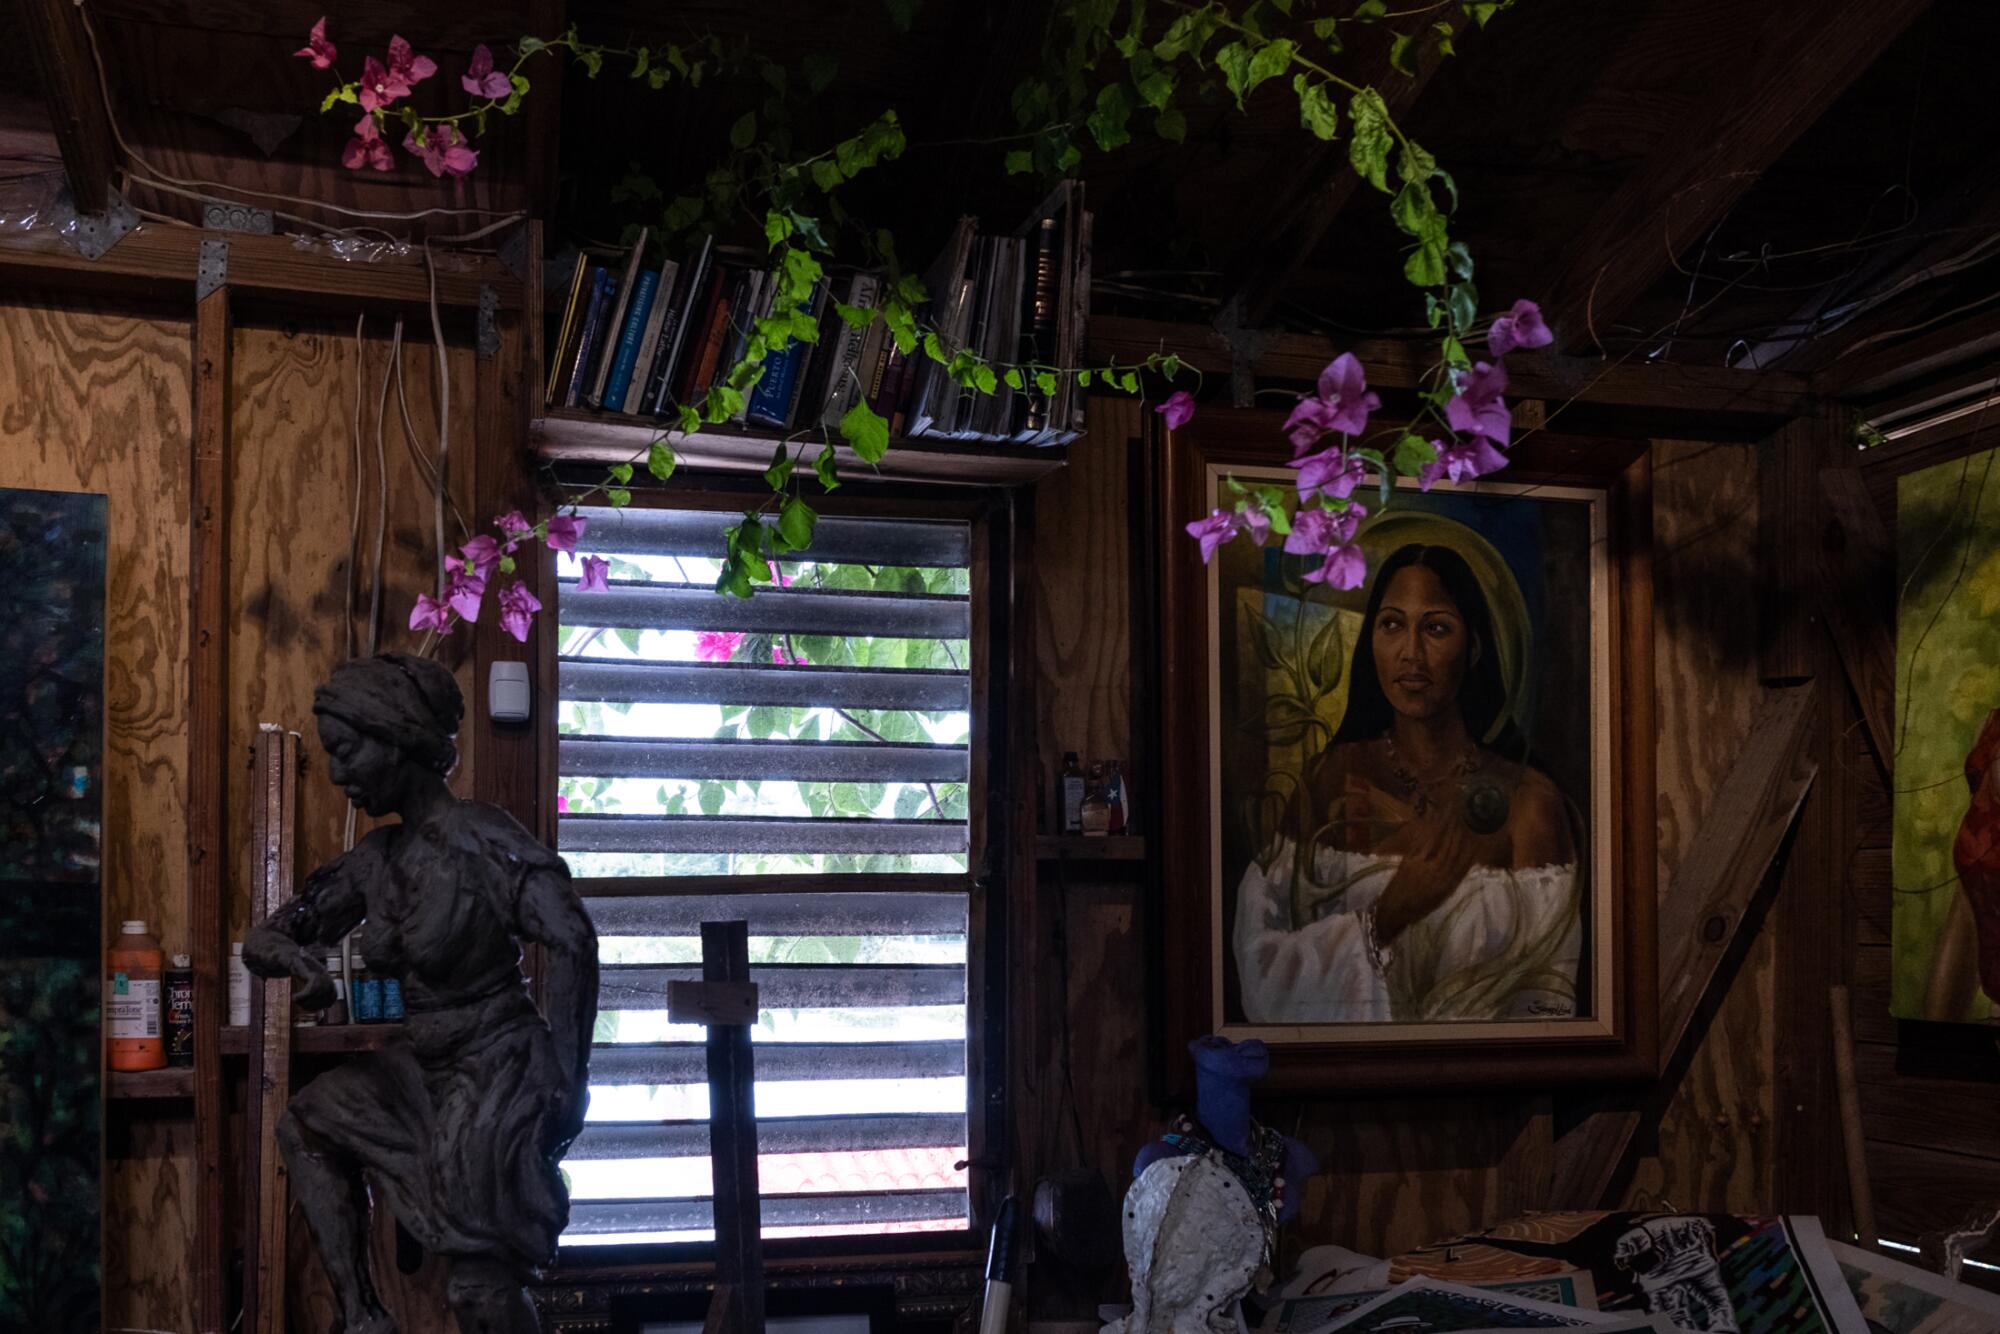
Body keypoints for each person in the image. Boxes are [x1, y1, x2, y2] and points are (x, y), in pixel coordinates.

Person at [244, 654, 597, 1334]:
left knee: (479, 1288)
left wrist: (565, 1074)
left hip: (497, 1065)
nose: (339, 773)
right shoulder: (376, 859)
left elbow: (574, 938)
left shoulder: (481, 840)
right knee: (307, 1124)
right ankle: (362, 1317)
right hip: (424, 1068)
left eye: (347, 752)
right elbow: (264, 937)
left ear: (397, 737)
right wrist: (299, 962)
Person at [1232, 543, 1581, 1023]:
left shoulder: (1528, 804)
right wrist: (1386, 918)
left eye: (1436, 628)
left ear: (1474, 647)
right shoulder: (1332, 782)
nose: (1410, 654)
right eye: (1392, 624)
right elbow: (1263, 972)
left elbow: (1548, 1003)